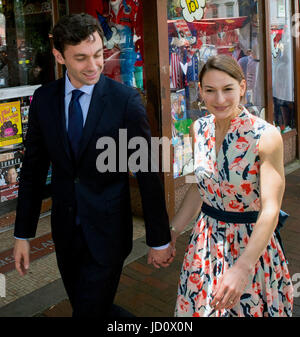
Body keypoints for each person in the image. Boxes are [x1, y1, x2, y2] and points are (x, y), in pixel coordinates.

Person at [13, 13, 173, 318]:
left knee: (87, 311)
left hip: (109, 233)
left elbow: (147, 173)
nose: (94, 65)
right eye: (82, 58)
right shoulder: (44, 100)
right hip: (65, 231)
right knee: (89, 307)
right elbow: (33, 171)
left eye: (99, 54)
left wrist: (159, 238)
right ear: (59, 56)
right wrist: (23, 234)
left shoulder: (124, 101)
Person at [171, 54, 293, 317]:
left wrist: (243, 267)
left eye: (227, 89)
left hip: (252, 247)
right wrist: (173, 231)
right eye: (210, 91)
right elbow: (199, 187)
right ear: (201, 92)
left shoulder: (265, 136)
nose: (219, 99)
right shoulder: (199, 129)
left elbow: (271, 210)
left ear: (242, 87)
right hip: (205, 245)